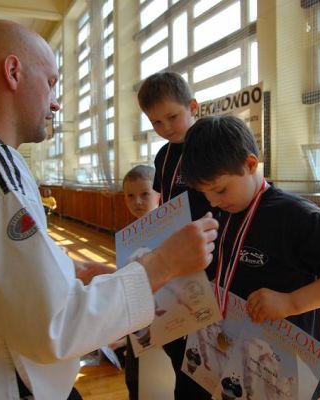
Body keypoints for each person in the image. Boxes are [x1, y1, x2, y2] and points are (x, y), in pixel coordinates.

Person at [0, 20, 220, 400]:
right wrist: (162, 264)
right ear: (13, 72)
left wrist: (71, 268)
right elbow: (55, 326)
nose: (56, 102)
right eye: (51, 82)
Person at [181, 114, 320, 399]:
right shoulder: (224, 209)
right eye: (205, 193)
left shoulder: (297, 216)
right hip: (233, 357)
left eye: (219, 189)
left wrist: (291, 302)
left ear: (251, 164)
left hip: (283, 370)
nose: (213, 201)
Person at [137, 71, 216, 399]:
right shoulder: (163, 155)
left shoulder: (211, 145)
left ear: (192, 107)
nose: (165, 127)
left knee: (205, 351)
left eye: (172, 117)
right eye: (156, 122)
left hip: (210, 258)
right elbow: (162, 203)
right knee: (176, 345)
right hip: (177, 260)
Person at [121, 164, 160, 399]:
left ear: (158, 194)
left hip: (163, 316)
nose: (137, 202)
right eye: (130, 196)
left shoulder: (169, 232)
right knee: (134, 379)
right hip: (136, 319)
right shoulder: (129, 236)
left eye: (145, 194)